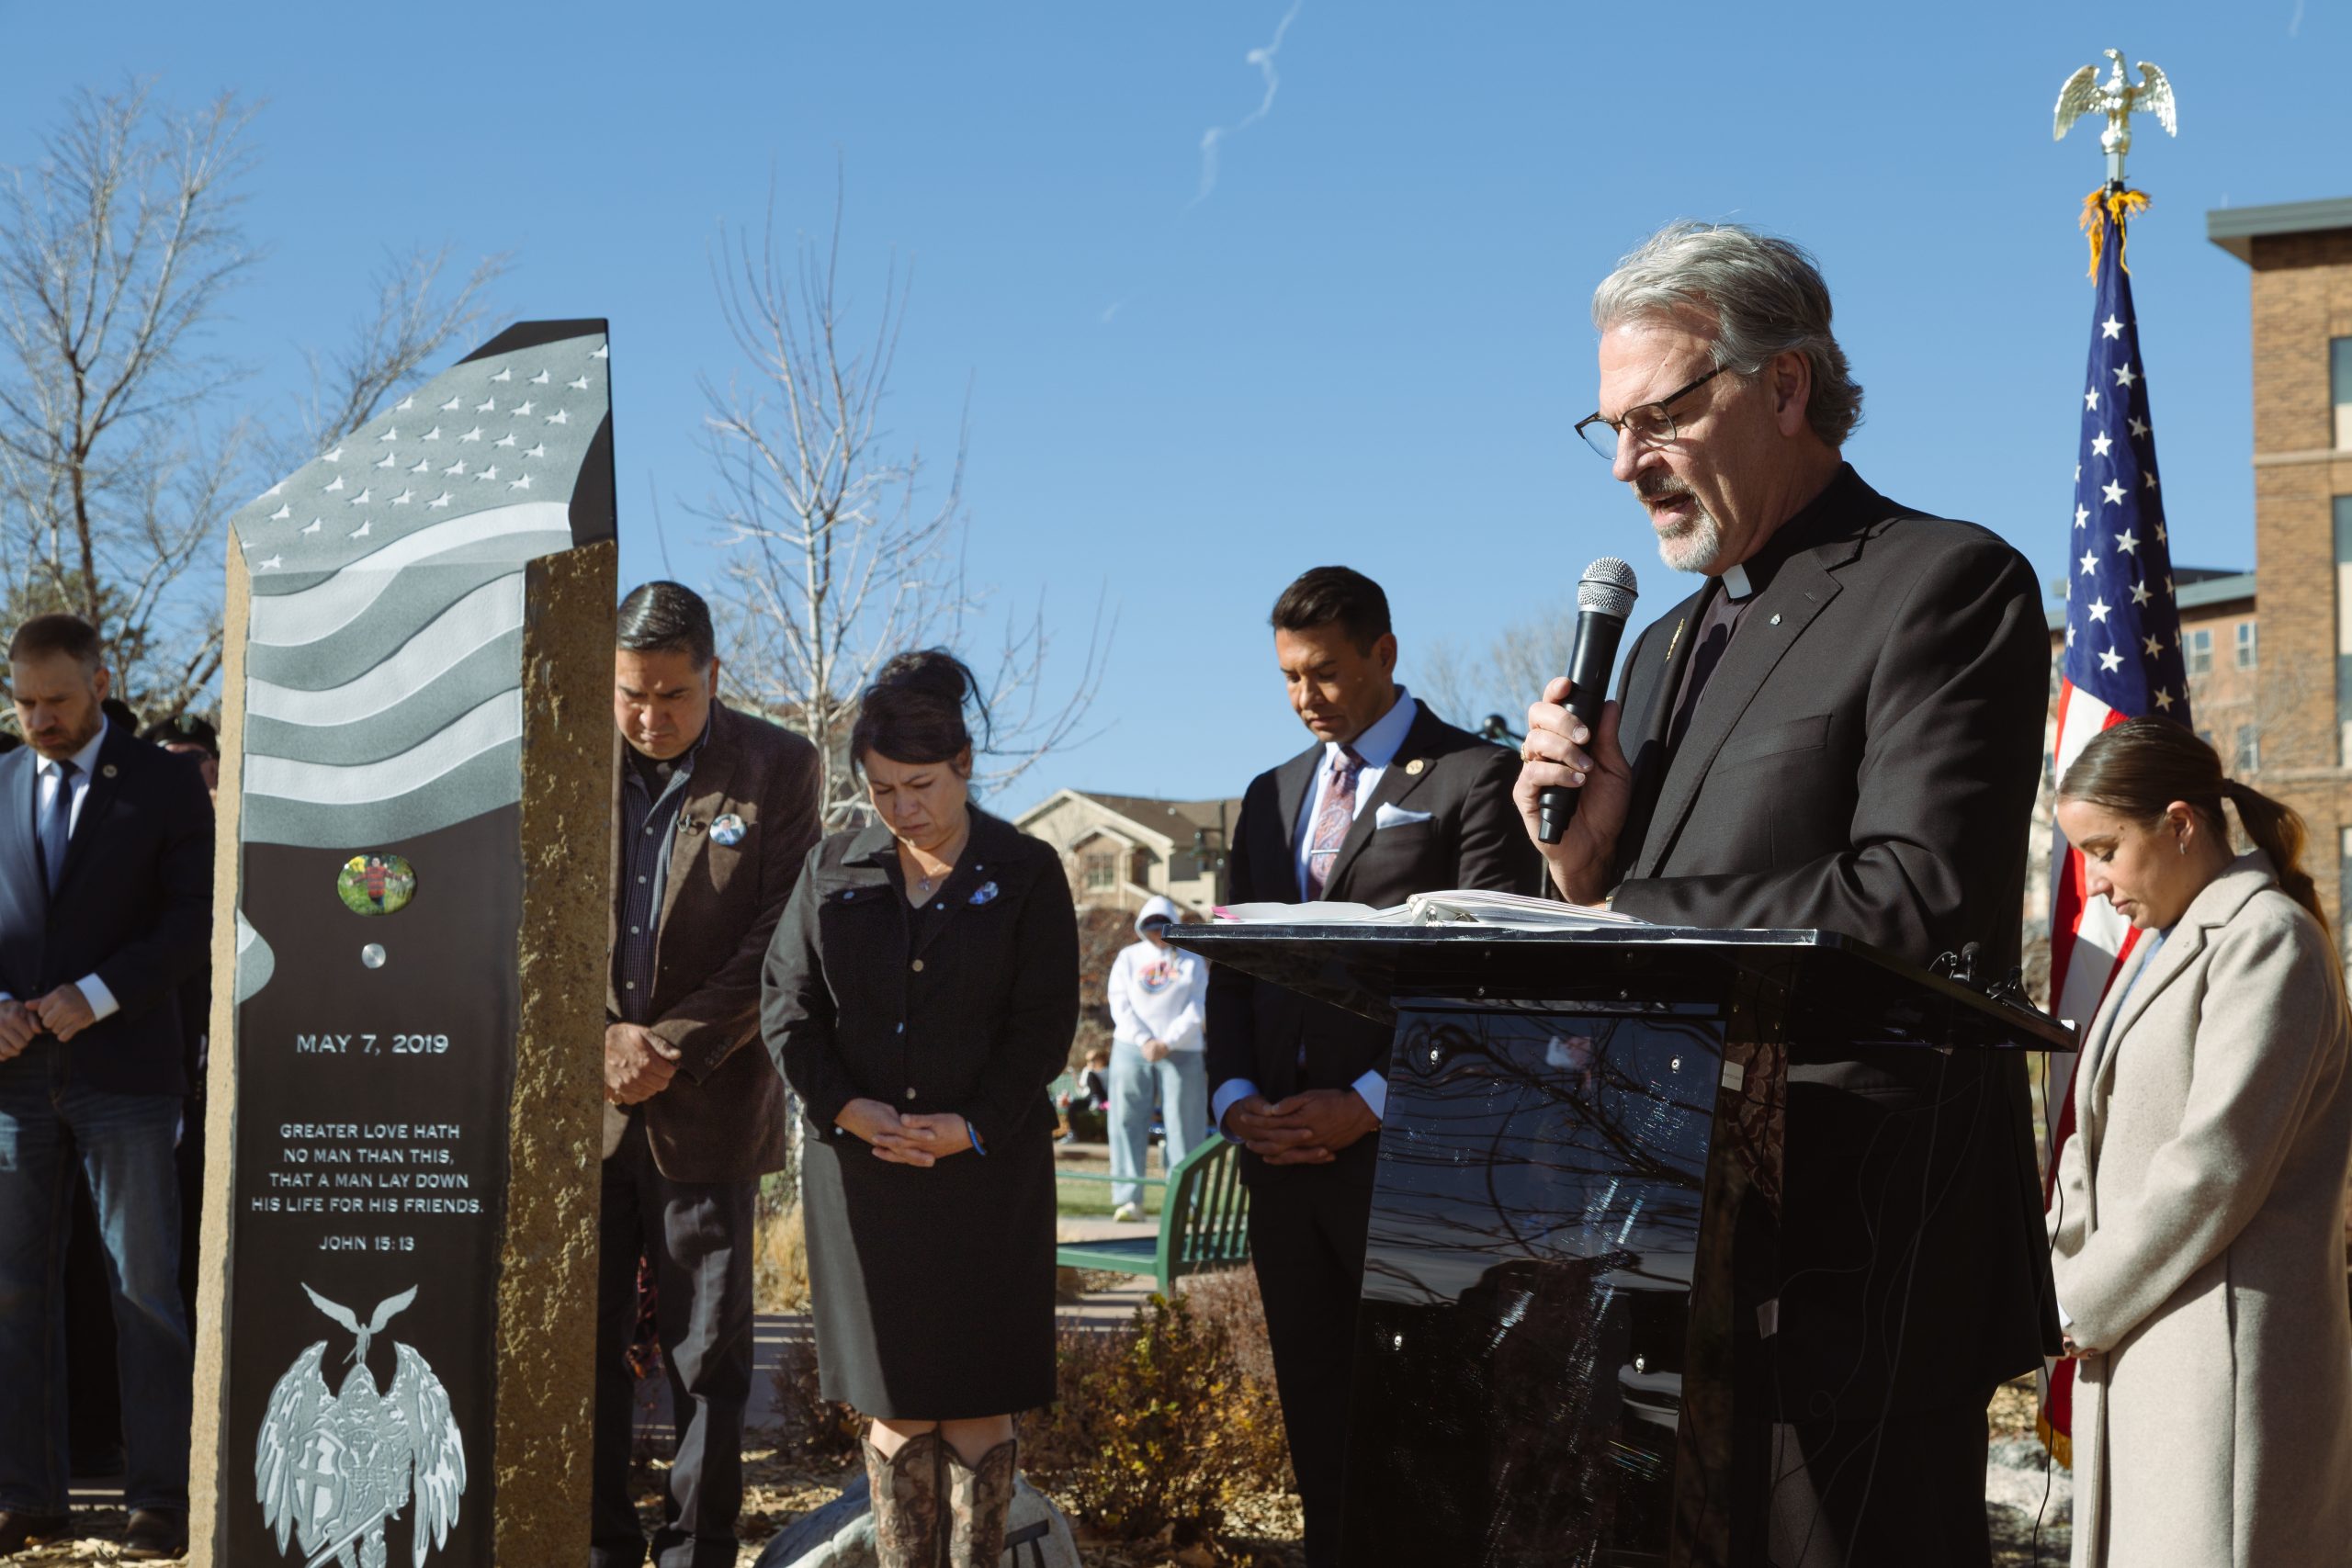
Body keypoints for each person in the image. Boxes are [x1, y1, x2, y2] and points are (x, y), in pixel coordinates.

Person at [1516, 220, 2055, 1563]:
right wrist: (1580, 871)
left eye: (1661, 416)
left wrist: (1627, 914)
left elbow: (1916, 897)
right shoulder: (1655, 650)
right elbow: (1642, 916)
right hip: (1661, 1239)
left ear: (1786, 386)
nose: (1630, 461)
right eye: (1610, 428)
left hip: (1859, 1257)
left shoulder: (1943, 582)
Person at [1204, 566, 1530, 1565]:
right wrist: (1235, 1101)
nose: (1306, 697)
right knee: (1319, 1425)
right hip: (1283, 1167)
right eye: (1289, 678)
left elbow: (1488, 977)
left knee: (1428, 1438)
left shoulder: (1476, 777)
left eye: (1326, 672)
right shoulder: (1270, 796)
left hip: (1415, 1171)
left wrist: (1374, 1102)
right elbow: (1232, 967)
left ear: (1384, 653)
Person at [762, 650, 1079, 1568]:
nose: (902, 808)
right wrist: (845, 1108)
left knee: (978, 1405)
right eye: (881, 790)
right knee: (894, 1405)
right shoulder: (830, 867)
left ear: (964, 765)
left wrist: (971, 1123)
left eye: (920, 785)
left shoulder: (1026, 870)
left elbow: (1043, 1025)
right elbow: (786, 1006)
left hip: (988, 1175)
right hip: (863, 1178)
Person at [2046, 717, 2352, 1568]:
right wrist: (2047, 1277)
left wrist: (2071, 1305)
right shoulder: (2159, 945)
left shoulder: (2268, 940)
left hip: (2220, 1371)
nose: (2094, 882)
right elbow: (2093, 1144)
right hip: (2145, 1352)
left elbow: (2212, 1168)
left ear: (2180, 823)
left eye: (2105, 850)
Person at [593, 582, 822, 1568]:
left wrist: (667, 1044)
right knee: (585, 1346)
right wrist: (602, 1039)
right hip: (585, 1107)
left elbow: (780, 932)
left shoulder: (778, 765)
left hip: (712, 1104)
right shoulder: (564, 756)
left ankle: (697, 1548)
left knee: (708, 1356)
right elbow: (529, 918)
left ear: (714, 676)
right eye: (631, 694)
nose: (650, 717)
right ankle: (599, 1545)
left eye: (672, 695)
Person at [0, 614, 211, 1560]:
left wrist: (98, 994)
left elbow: (192, 920)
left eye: (56, 699)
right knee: (13, 1291)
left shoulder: (163, 783)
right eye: (24, 702)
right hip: (13, 1079)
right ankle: (27, 1495)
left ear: (100, 680)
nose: (39, 719)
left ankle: (158, 1498)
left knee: (144, 1291)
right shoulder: (0, 783)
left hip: (125, 1072)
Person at [1104, 895, 1210, 1220]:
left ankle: (1184, 1202)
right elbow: (1119, 1001)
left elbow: (1198, 1004)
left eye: (1163, 929)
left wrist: (1168, 1041)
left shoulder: (1192, 959)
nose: (1157, 935)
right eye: (1150, 929)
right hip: (1131, 1048)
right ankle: (1128, 1200)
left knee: (1185, 1126)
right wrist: (1144, 1039)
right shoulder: (1128, 957)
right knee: (1126, 1120)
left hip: (1182, 1050)